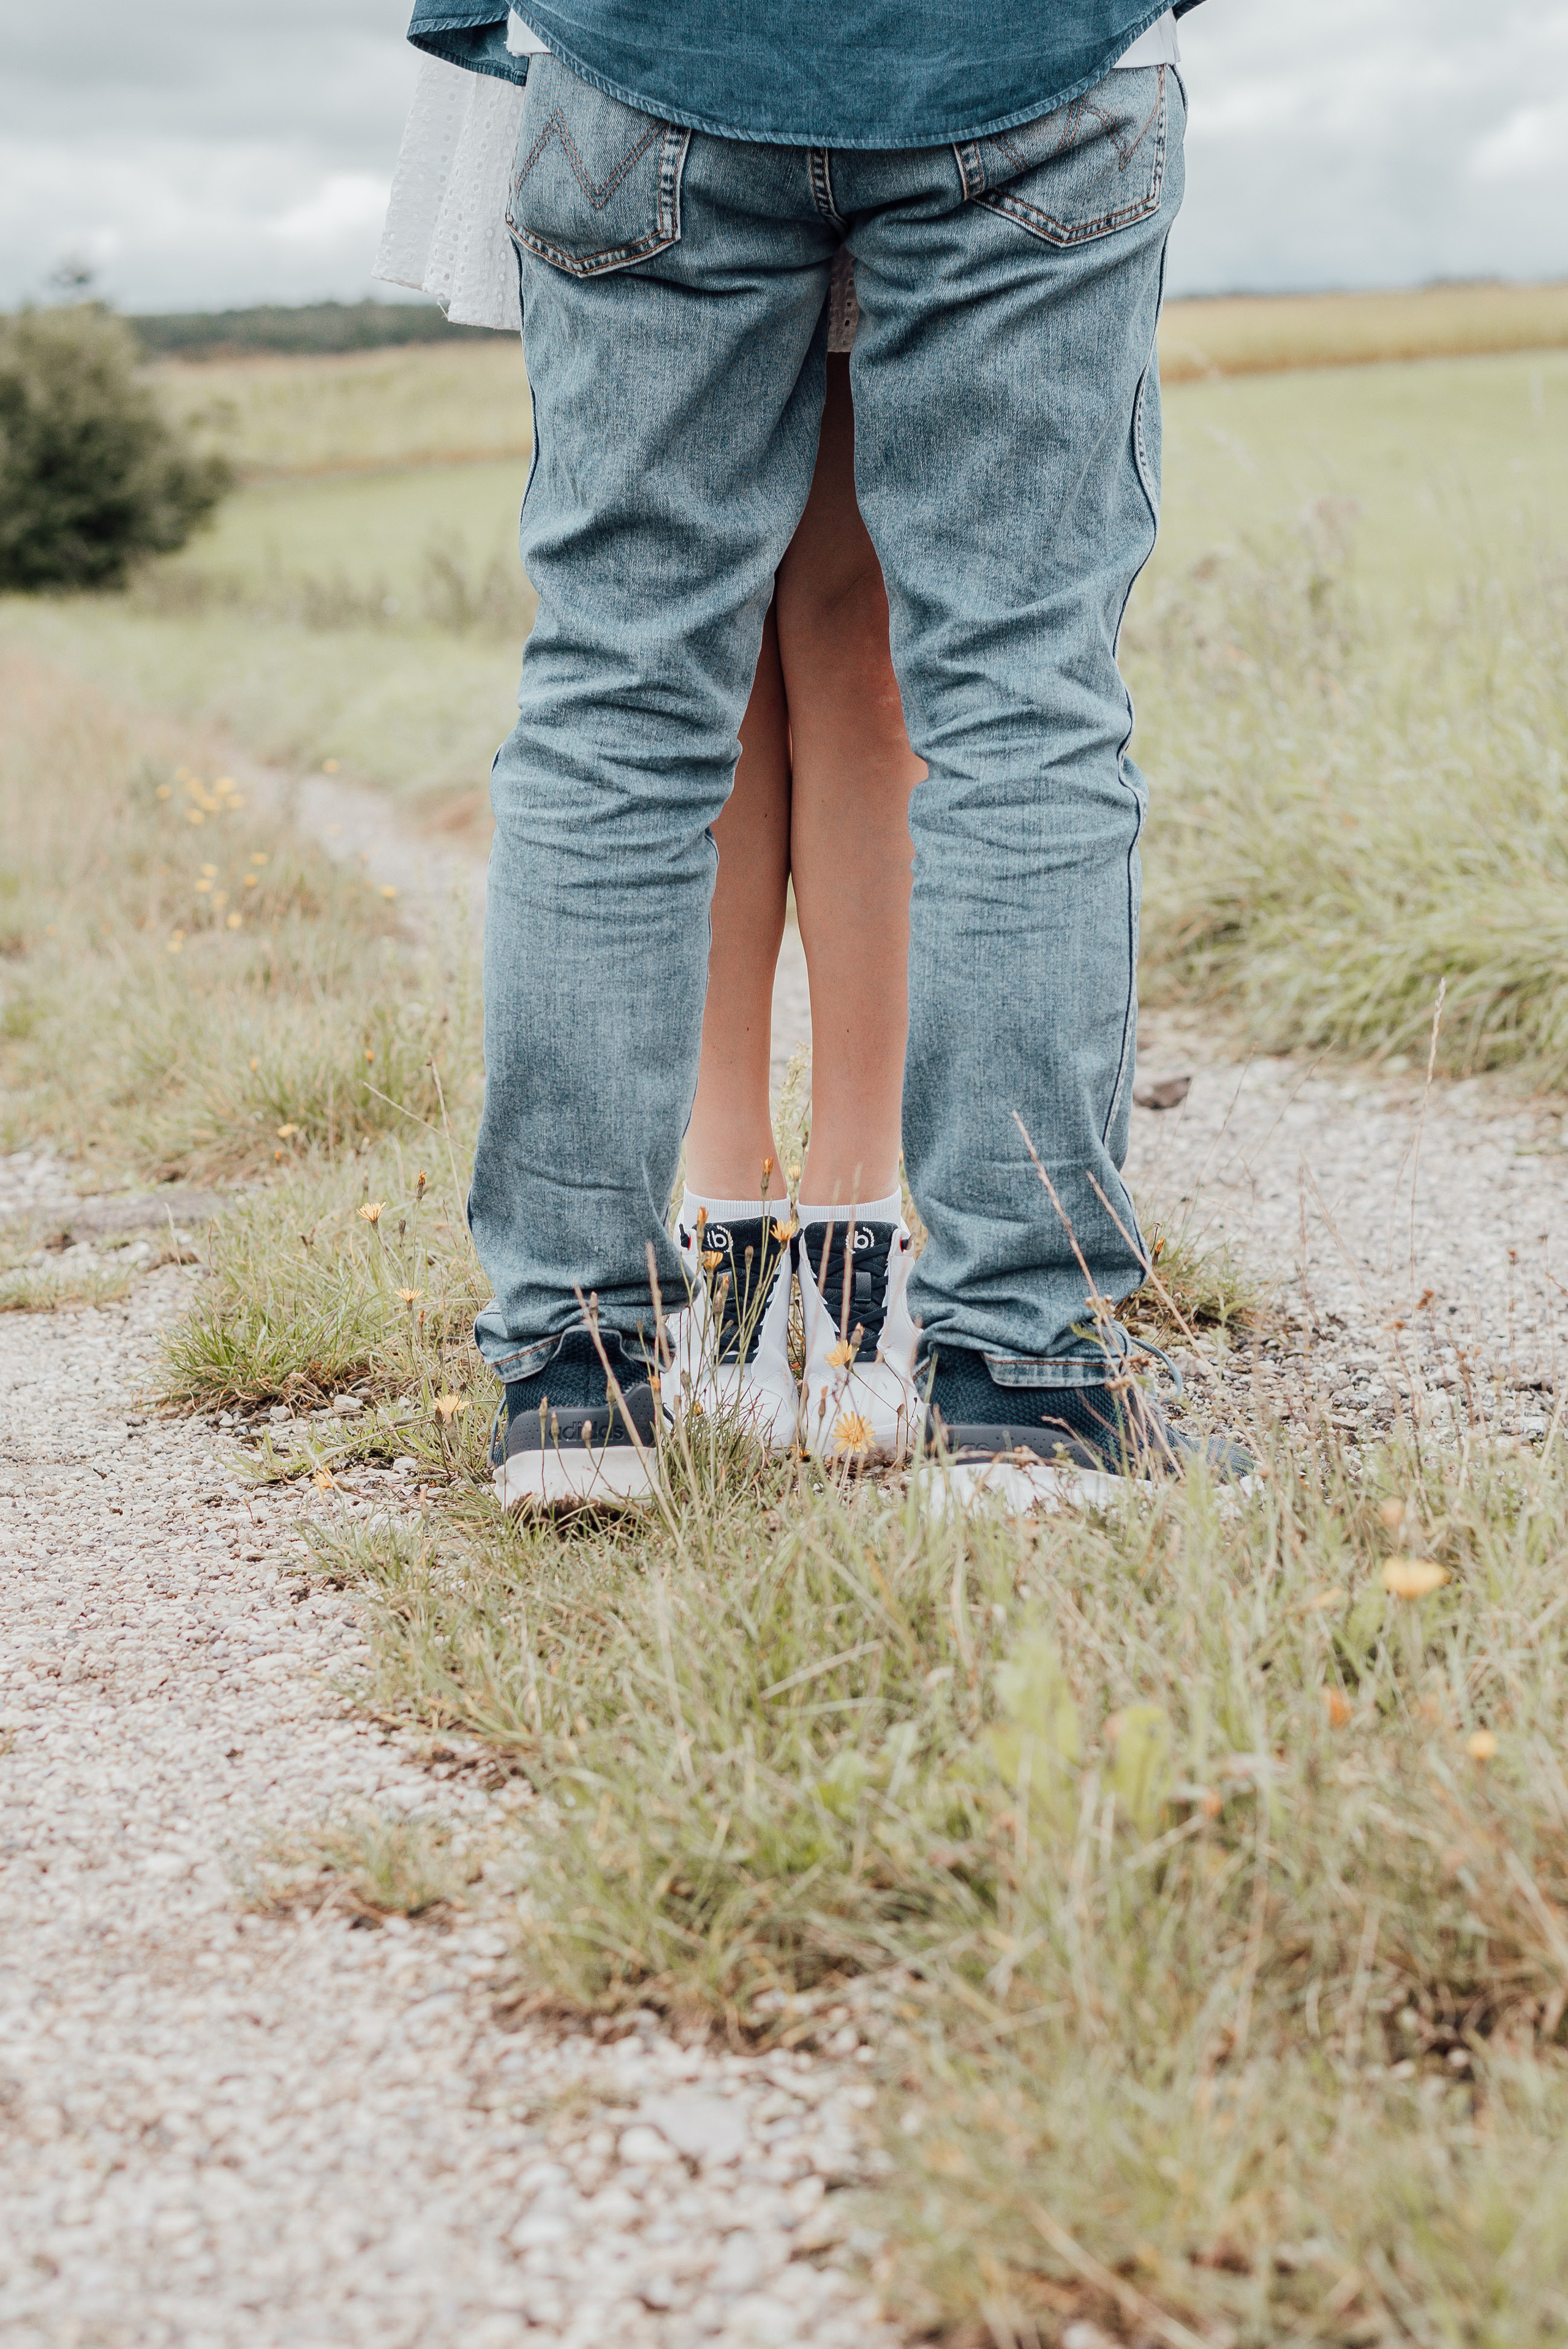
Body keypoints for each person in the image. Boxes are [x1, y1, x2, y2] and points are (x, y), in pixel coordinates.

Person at [385, 0, 1252, 1508]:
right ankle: (1022, 1384)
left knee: (618, 700)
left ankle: (578, 1383)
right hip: (1021, 57)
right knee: (1019, 701)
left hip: (652, 65)